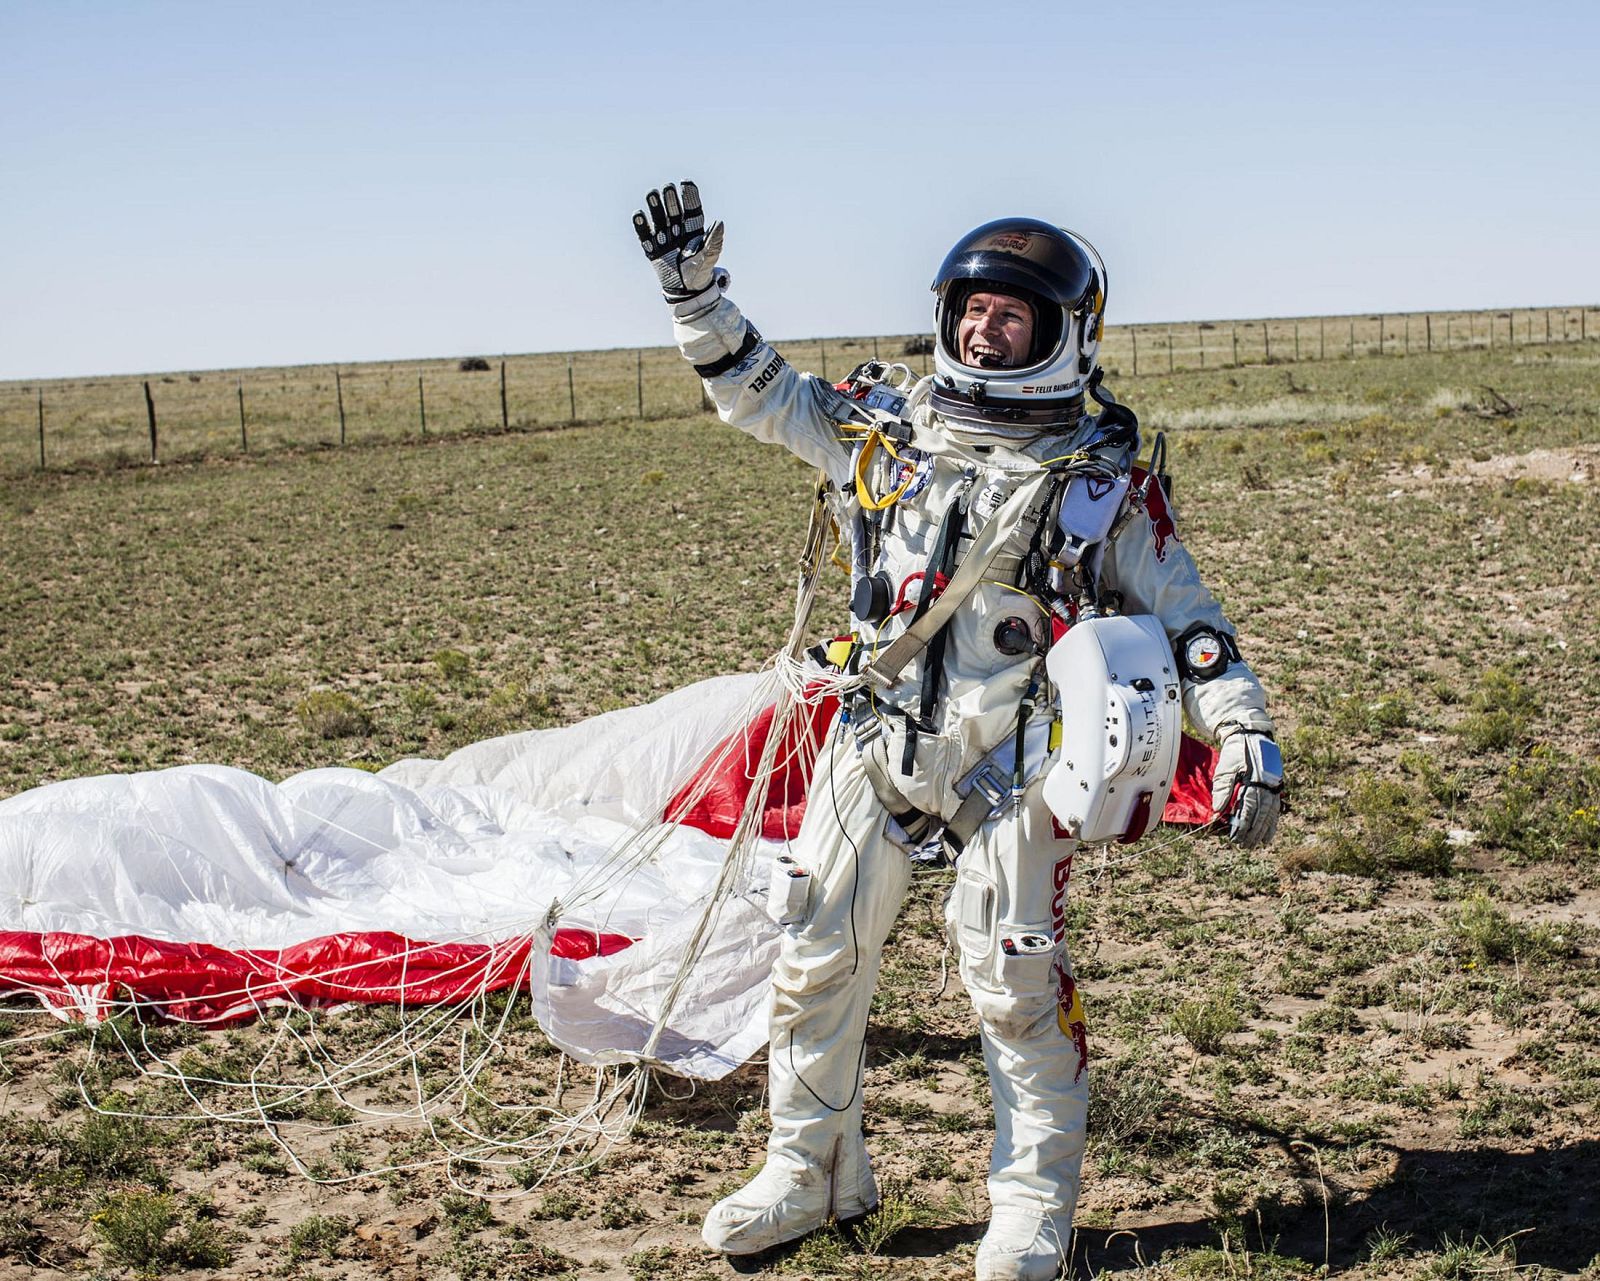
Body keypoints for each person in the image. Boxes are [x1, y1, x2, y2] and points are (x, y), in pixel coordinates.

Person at [632, 181, 1283, 1281]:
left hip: (1013, 760)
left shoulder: (1101, 477)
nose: (986, 330)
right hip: (876, 735)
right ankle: (812, 1173)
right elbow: (757, 392)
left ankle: (1031, 1210)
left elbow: (1189, 620)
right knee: (812, 954)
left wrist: (1244, 733)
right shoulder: (883, 429)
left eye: (1012, 317)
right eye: (973, 311)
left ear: (1061, 333)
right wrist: (693, 296)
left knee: (1013, 981)